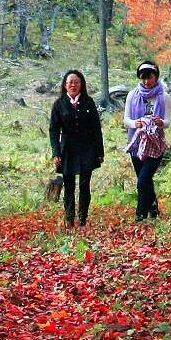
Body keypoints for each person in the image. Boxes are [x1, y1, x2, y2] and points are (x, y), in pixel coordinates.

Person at [48, 70, 103, 226]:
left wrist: (99, 152)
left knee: (85, 186)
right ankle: (69, 219)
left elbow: (95, 128)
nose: (73, 85)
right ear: (65, 85)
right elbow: (54, 130)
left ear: (82, 84)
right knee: (69, 187)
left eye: (76, 82)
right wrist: (56, 152)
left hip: (87, 148)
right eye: (70, 82)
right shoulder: (59, 104)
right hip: (67, 150)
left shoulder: (88, 102)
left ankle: (82, 219)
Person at [124, 61, 170, 221]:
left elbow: (167, 122)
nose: (146, 81)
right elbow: (126, 120)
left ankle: (140, 215)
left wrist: (160, 123)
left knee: (142, 181)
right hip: (136, 144)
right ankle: (154, 210)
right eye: (143, 78)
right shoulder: (132, 94)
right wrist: (135, 124)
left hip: (155, 145)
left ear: (155, 76)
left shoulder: (163, 96)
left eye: (149, 77)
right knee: (144, 181)